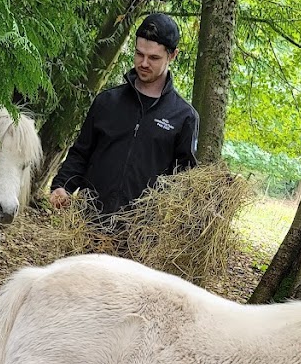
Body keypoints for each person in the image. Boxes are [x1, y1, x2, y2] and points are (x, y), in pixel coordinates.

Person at [49, 13, 199, 233]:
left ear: (173, 55)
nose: (144, 63)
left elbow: (183, 182)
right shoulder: (107, 102)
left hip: (141, 237)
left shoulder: (184, 117)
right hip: (87, 226)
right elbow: (81, 152)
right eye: (139, 54)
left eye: (154, 58)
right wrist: (62, 185)